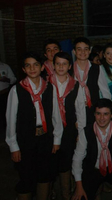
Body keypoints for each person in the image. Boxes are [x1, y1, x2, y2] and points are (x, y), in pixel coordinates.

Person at [6, 52, 63, 200]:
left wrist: (56, 140)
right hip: (25, 141)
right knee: (26, 177)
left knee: (45, 175)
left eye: (36, 65)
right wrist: (14, 146)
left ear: (42, 67)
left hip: (45, 139)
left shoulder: (49, 88)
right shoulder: (16, 90)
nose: (32, 68)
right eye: (28, 65)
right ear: (24, 69)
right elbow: (11, 120)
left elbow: (56, 116)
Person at [72, 98, 112, 200]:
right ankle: (98, 191)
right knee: (80, 197)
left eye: (106, 114)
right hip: (93, 169)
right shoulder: (86, 131)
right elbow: (77, 159)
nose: (101, 118)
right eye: (98, 113)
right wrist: (78, 185)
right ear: (94, 114)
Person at [49, 52, 83, 200]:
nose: (61, 67)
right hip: (49, 129)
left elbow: (80, 111)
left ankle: (66, 193)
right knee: (49, 161)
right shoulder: (46, 83)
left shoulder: (75, 85)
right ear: (53, 65)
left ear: (70, 66)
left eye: (64, 64)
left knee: (66, 160)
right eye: (57, 64)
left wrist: (80, 132)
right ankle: (49, 190)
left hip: (69, 128)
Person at [72, 37, 111, 130]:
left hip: (93, 110)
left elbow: (105, 92)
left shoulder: (97, 68)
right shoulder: (69, 70)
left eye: (86, 49)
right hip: (75, 111)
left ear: (89, 51)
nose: (83, 52)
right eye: (79, 49)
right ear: (74, 51)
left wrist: (104, 112)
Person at [0, 60, 16, 130]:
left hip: (3, 94)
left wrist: (6, 79)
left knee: (5, 114)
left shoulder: (5, 66)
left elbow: (13, 79)